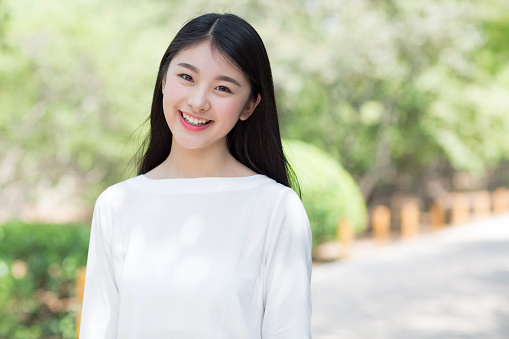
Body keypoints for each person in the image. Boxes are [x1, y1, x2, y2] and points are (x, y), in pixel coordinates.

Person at [79, 13, 312, 338]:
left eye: (222, 88)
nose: (198, 101)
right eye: (187, 77)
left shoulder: (275, 209)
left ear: (249, 105)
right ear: (163, 79)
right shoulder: (117, 205)